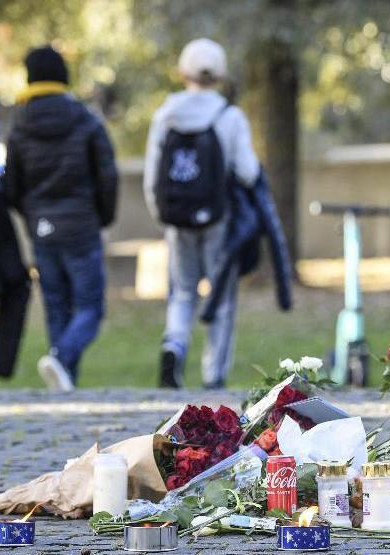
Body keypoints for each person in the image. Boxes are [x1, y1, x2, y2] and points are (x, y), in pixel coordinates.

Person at [144, 38, 260, 389]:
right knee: (221, 295)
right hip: (218, 218)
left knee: (182, 291)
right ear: (220, 74)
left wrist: (164, 215)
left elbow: (153, 176)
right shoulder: (229, 116)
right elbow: (248, 171)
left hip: (177, 220)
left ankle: (174, 345)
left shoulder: (166, 114)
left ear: (183, 72)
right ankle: (214, 374)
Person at [5, 45, 118, 392]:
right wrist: (102, 216)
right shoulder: (85, 119)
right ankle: (61, 359)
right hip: (81, 227)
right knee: (90, 308)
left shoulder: (19, 125)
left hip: (43, 231)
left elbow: (11, 186)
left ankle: (63, 377)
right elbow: (107, 175)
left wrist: (35, 215)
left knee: (57, 308)